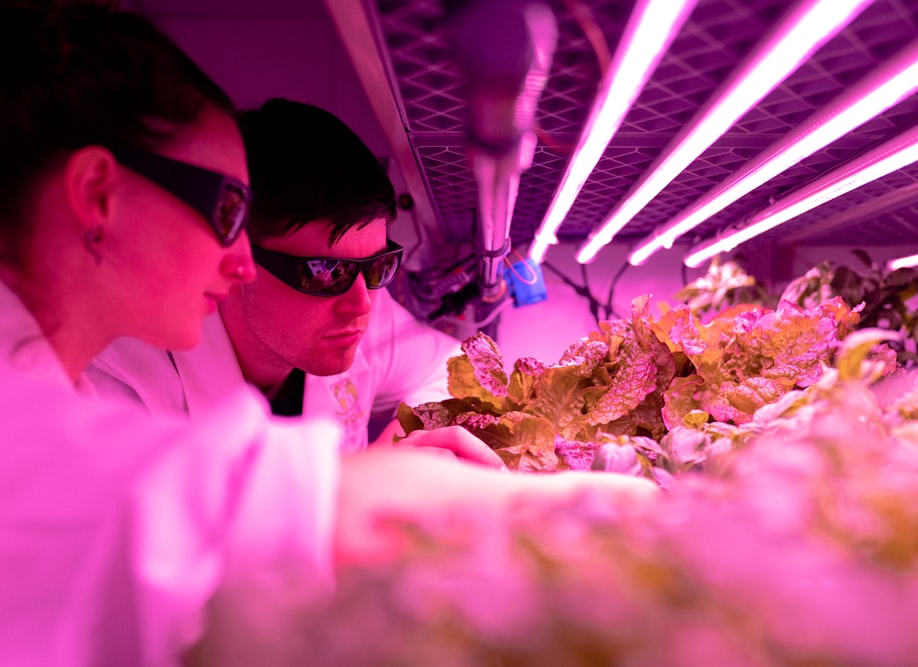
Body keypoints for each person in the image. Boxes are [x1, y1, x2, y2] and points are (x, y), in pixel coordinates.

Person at [0, 3, 653, 664]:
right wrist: (619, 507)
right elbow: (223, 513)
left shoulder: (39, 370)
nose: (238, 261)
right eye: (225, 209)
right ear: (97, 193)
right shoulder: (60, 414)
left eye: (376, 268)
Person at [86, 98, 484, 459]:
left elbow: (454, 370)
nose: (361, 305)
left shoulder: (361, 305)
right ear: (236, 261)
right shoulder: (120, 380)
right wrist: (359, 489)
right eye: (325, 272)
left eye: (377, 266)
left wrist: (406, 443)